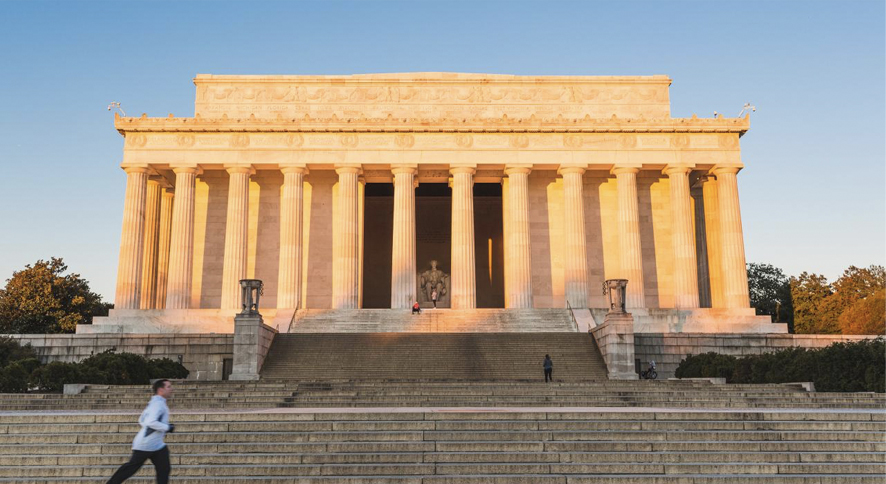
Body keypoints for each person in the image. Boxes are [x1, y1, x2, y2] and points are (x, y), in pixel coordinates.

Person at [107, 379, 175, 484]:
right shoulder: (158, 404)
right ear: (161, 390)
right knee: (130, 468)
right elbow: (150, 421)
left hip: (156, 445)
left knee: (164, 469)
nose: (171, 389)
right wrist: (167, 427)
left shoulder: (154, 402)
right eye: (169, 387)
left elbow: (141, 420)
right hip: (146, 444)